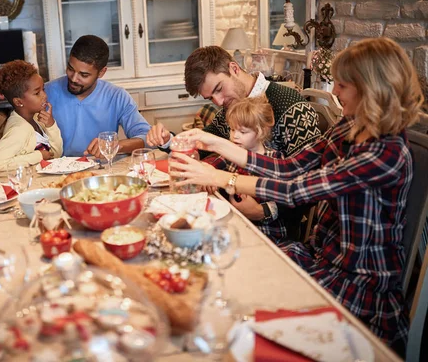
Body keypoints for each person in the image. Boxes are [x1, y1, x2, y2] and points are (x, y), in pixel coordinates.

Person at [170, 38, 424, 348]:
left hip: (359, 279)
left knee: (244, 299)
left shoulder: (386, 153)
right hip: (322, 257)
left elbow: (296, 190)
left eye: (342, 85)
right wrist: (219, 145)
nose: (334, 92)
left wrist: (221, 177)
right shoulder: (348, 125)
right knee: (236, 270)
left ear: (371, 88)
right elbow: (292, 166)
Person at [147, 46, 321, 224]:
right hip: (231, 213)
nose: (219, 102)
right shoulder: (230, 109)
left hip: (275, 229)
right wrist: (169, 139)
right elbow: (204, 144)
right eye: (211, 98)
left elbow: (311, 182)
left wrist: (263, 211)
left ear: (234, 68)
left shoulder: (292, 106)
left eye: (219, 89)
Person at [45, 35, 150, 158]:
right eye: (70, 69)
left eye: (83, 75)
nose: (73, 78)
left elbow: (146, 137)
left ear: (101, 72)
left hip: (101, 170)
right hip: (56, 172)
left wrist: (116, 145)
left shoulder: (117, 96)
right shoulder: (46, 92)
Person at [224, 95, 292, 242]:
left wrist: (262, 211)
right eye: (232, 129)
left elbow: (284, 199)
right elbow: (215, 165)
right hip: (236, 226)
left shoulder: (275, 161)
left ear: (260, 132)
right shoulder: (232, 153)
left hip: (267, 233)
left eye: (243, 132)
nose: (235, 136)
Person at [0, 60, 62, 171]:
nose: (44, 96)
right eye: (37, 93)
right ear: (18, 102)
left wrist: (51, 126)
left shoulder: (37, 119)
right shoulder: (19, 129)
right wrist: (38, 156)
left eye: (43, 89)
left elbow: (55, 155)